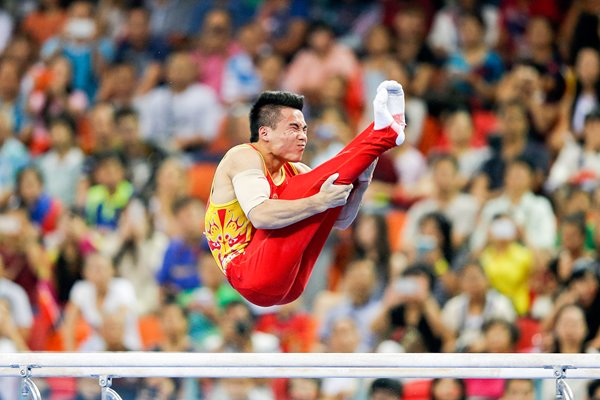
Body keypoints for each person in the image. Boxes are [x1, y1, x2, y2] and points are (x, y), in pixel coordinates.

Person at [205, 80, 406, 307]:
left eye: (304, 129)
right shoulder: (243, 157)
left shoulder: (297, 171)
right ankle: (380, 135)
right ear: (265, 133)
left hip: (292, 283)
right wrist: (318, 201)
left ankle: (380, 136)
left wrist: (361, 184)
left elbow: (339, 220)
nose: (303, 137)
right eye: (293, 128)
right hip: (250, 275)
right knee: (310, 193)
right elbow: (261, 215)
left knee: (321, 191)